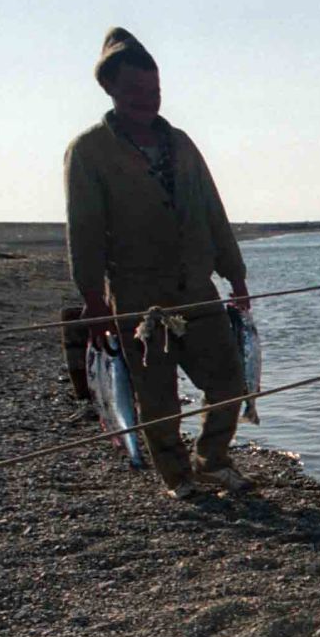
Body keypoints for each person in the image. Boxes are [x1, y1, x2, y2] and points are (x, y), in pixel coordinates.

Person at [64, 27, 252, 500]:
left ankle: (211, 459)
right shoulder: (88, 152)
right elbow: (83, 231)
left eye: (155, 91)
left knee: (229, 382)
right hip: (135, 294)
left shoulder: (182, 144)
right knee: (157, 395)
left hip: (196, 287)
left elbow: (213, 209)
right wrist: (92, 299)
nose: (148, 100)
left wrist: (236, 274)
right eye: (135, 91)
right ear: (109, 89)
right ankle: (176, 476)